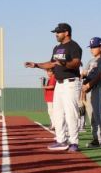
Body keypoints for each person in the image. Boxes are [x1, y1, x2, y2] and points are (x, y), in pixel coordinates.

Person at [24, 23, 83, 152]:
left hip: (71, 83)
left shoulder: (74, 46)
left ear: (66, 33)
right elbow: (51, 64)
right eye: (56, 32)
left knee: (71, 114)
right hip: (59, 84)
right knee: (58, 114)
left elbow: (76, 62)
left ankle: (74, 142)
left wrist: (64, 63)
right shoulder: (57, 48)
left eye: (59, 32)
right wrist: (36, 65)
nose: (56, 34)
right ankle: (61, 140)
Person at [83, 37, 101, 148]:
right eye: (91, 47)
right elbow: (84, 74)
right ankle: (95, 139)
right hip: (88, 91)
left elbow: (99, 75)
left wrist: (89, 85)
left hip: (97, 89)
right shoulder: (90, 61)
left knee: (97, 115)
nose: (92, 49)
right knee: (91, 116)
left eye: (94, 47)